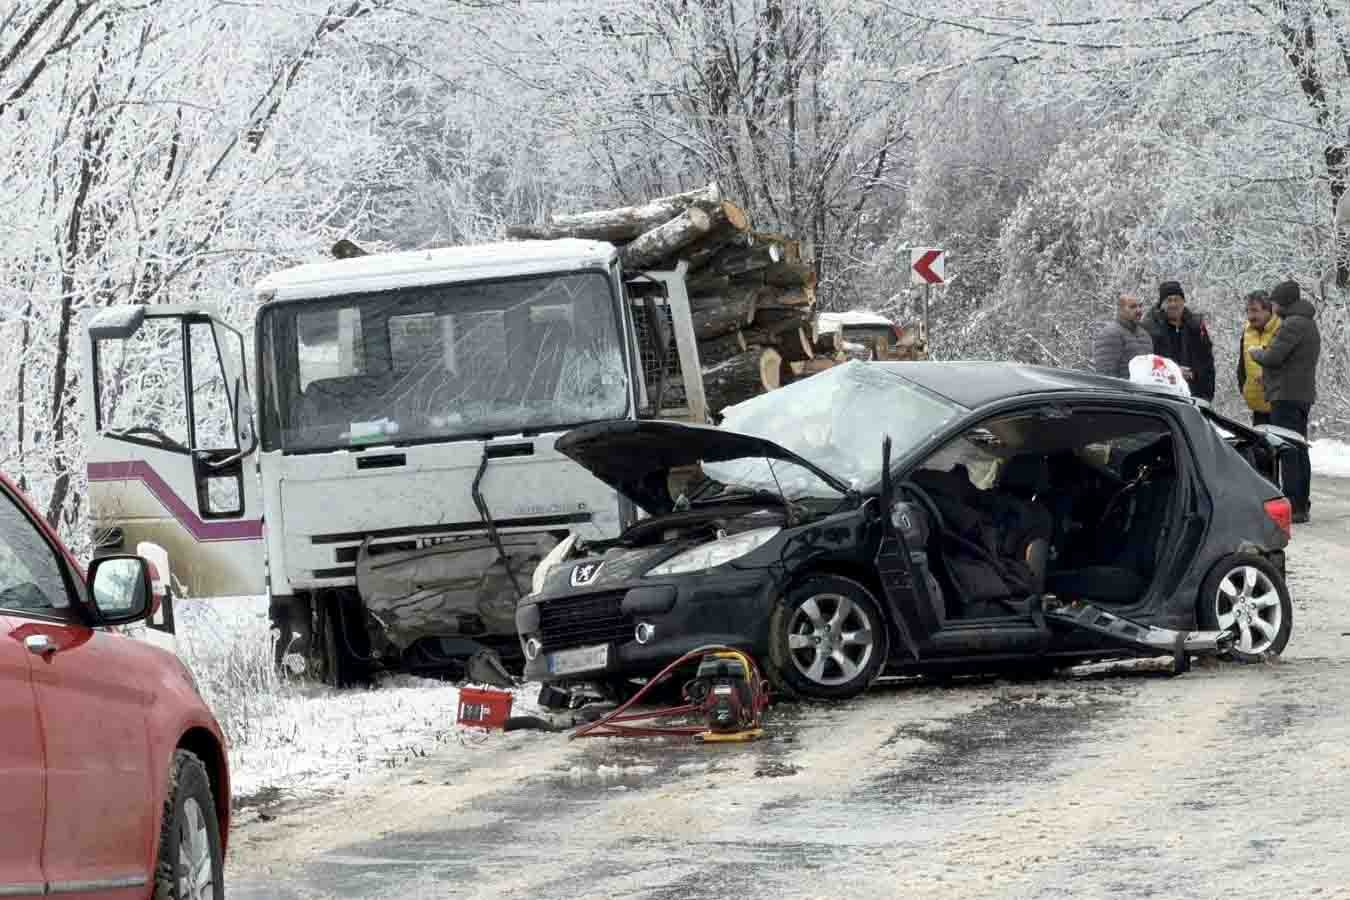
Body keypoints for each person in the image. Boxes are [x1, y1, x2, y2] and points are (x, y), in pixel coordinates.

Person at [1250, 280, 1321, 523]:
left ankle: (1293, 505)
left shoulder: (1292, 324)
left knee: (1289, 451)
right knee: (1299, 450)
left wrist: (1256, 352)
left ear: (1284, 302)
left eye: (1275, 302)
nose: (1273, 306)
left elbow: (1273, 357)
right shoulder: (1308, 323)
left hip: (1286, 396)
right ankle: (1301, 503)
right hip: (1301, 395)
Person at [1144, 280, 1215, 401]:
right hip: (1164, 397)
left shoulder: (1196, 326)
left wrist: (1207, 394)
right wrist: (1174, 372)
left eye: (1177, 299)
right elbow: (1147, 363)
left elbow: (1207, 361)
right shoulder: (1150, 328)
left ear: (1183, 302)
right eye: (1169, 300)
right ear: (1161, 304)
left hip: (1195, 396)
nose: (1173, 304)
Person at [1236, 290, 1281, 426]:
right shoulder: (1247, 332)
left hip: (1281, 408)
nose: (1250, 316)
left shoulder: (1283, 329)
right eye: (1248, 311)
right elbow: (1242, 365)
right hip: (1258, 407)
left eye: (1255, 311)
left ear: (1269, 310)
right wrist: (1244, 388)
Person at [1091, 293, 1153, 379]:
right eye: (1132, 307)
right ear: (1120, 310)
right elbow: (1106, 375)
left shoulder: (1145, 335)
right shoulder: (1110, 334)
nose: (1139, 310)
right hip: (1121, 387)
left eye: (1140, 306)